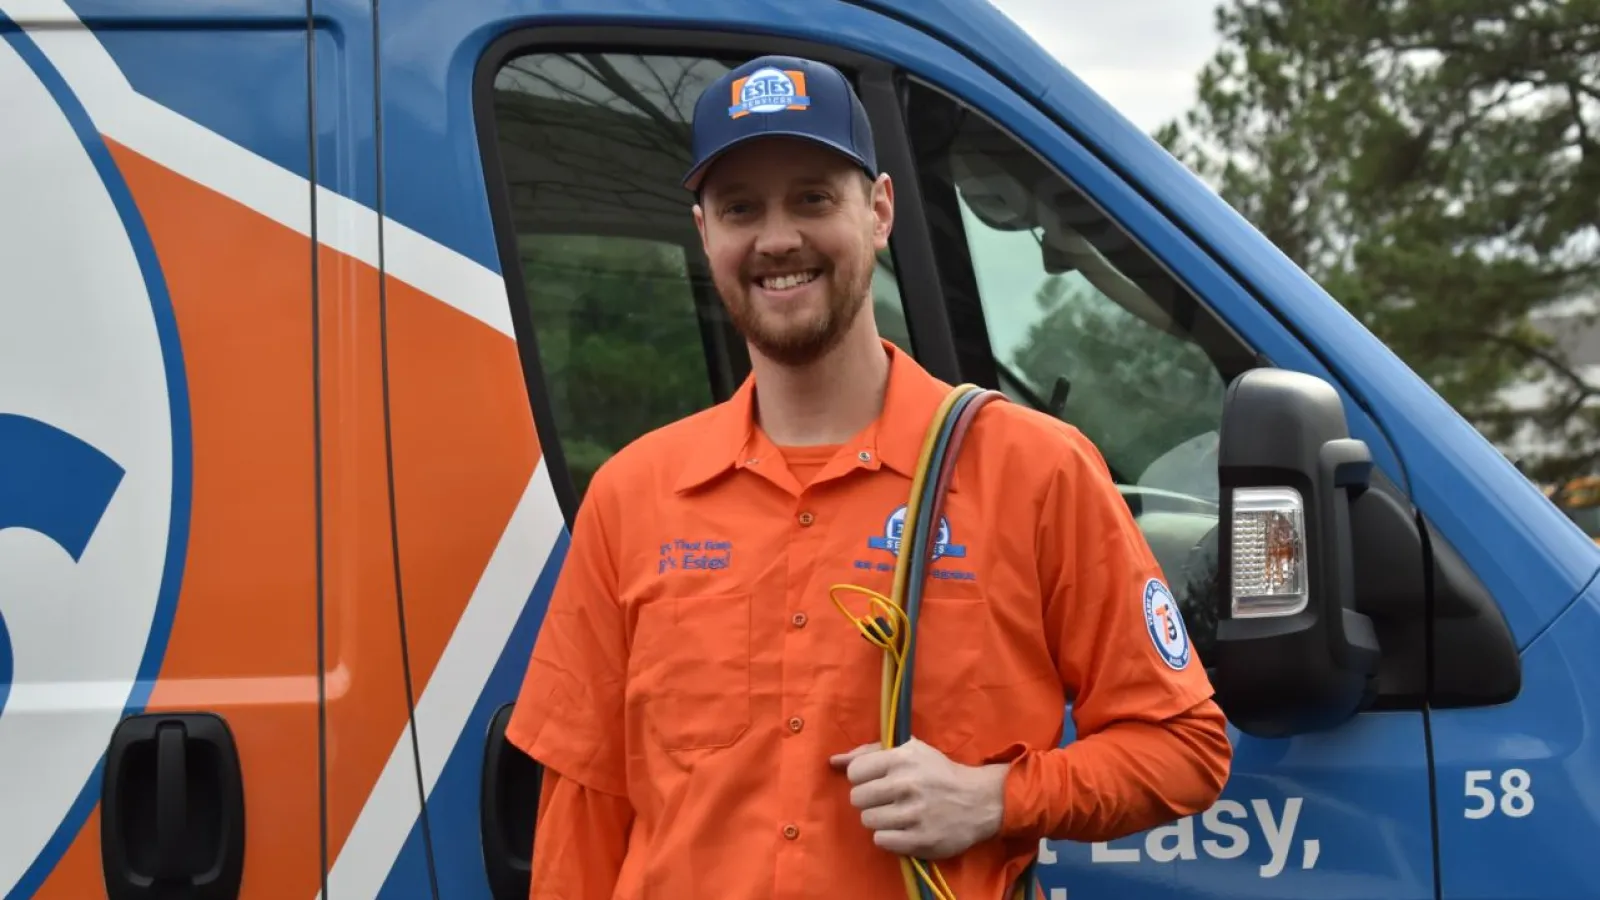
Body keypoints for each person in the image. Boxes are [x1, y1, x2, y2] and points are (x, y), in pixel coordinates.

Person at [505, 54, 1233, 900]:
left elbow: (1185, 746)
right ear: (704, 233)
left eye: (813, 198)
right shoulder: (633, 496)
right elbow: (585, 815)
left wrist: (998, 798)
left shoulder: (1035, 469)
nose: (778, 238)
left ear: (879, 211)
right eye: (742, 208)